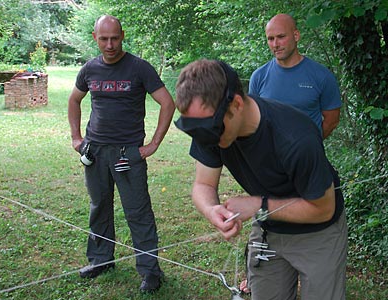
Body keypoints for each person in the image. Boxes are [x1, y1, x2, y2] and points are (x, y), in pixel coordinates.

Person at [174, 59, 347, 300]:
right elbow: (203, 185)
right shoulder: (210, 128)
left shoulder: (295, 138)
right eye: (197, 130)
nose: (205, 138)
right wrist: (211, 209)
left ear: (236, 103)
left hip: (318, 233)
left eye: (211, 129)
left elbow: (323, 210)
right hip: (269, 230)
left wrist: (258, 205)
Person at [67, 15, 175, 293]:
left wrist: (153, 144)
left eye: (115, 38)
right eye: (104, 39)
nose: (110, 44)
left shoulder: (140, 68)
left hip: (128, 153)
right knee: (99, 207)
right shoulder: (90, 69)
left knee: (138, 212)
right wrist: (76, 137)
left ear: (122, 35)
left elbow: (167, 103)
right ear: (95, 38)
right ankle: (101, 260)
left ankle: (150, 272)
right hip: (95, 151)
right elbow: (74, 100)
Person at [249, 13, 341, 139]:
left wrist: (311, 144)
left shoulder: (321, 76)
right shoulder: (259, 76)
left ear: (296, 35)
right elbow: (254, 121)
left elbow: (332, 120)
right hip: (270, 156)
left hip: (308, 156)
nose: (275, 44)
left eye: (281, 37)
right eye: (270, 39)